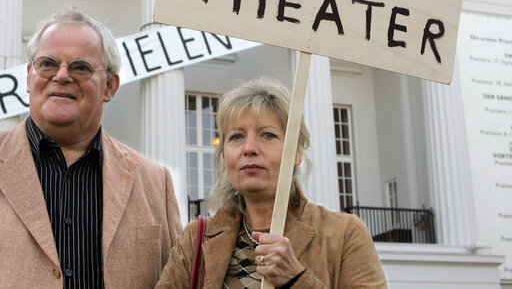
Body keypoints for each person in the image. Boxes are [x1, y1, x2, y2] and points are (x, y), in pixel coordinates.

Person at [0, 9, 183, 288]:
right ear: (29, 77)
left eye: (81, 67)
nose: (62, 75)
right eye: (48, 64)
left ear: (109, 86)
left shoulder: (156, 183)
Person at [156, 77, 387, 288]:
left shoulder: (344, 234)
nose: (249, 148)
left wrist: (297, 279)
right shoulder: (195, 238)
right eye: (236, 137)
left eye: (268, 135)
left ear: (296, 152)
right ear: (224, 157)